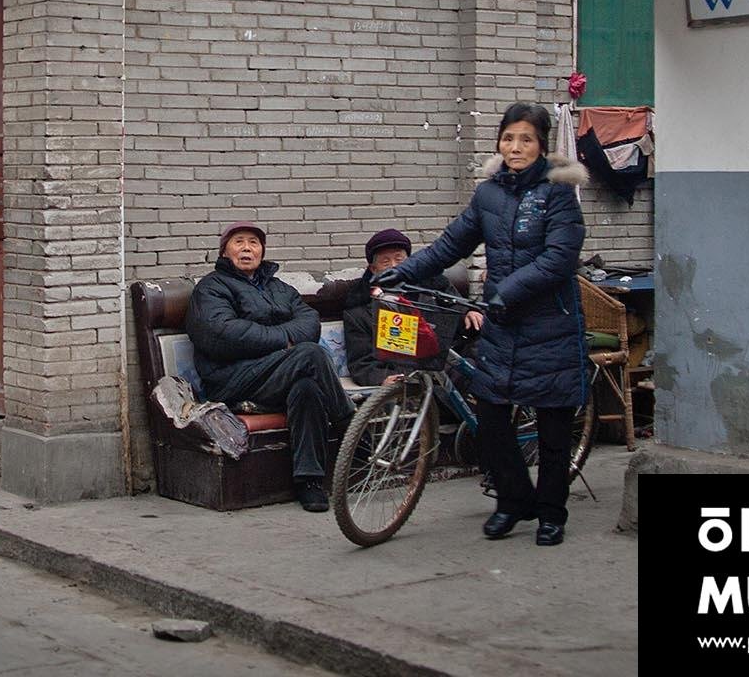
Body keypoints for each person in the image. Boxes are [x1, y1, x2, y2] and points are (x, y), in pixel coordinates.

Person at [373, 102, 587, 546]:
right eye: (509, 138)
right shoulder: (488, 193)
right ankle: (512, 501)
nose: (516, 147)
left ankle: (551, 512)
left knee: (552, 427)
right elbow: (453, 243)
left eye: (526, 139)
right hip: (503, 325)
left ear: (542, 144)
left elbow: (559, 259)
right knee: (489, 418)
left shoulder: (559, 194)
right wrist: (405, 271)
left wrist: (507, 291)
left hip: (550, 326)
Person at [186, 220, 355, 512]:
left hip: (275, 374)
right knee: (310, 355)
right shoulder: (211, 288)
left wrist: (284, 340)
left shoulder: (279, 288)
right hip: (233, 378)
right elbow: (223, 333)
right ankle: (352, 430)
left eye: (254, 242)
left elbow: (309, 321)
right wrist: (283, 340)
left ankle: (309, 482)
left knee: (307, 388)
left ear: (262, 251)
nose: (247, 248)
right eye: (239, 242)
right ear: (225, 252)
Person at [341, 228, 463, 387]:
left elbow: (456, 306)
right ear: (373, 269)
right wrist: (383, 378)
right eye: (385, 262)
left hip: (442, 370)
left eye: (399, 259)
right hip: (401, 377)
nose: (394, 266)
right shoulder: (358, 311)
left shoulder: (433, 289)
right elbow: (361, 362)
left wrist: (470, 312)